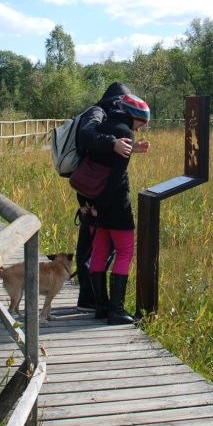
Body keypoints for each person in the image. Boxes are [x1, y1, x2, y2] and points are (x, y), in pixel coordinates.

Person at [78, 93, 151, 324]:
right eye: (142, 122)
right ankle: (116, 310)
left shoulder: (102, 127)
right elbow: (116, 176)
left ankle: (101, 306)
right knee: (125, 251)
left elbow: (98, 161)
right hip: (115, 204)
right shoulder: (125, 132)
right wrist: (103, 205)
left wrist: (93, 205)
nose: (141, 128)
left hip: (92, 201)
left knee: (99, 251)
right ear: (134, 116)